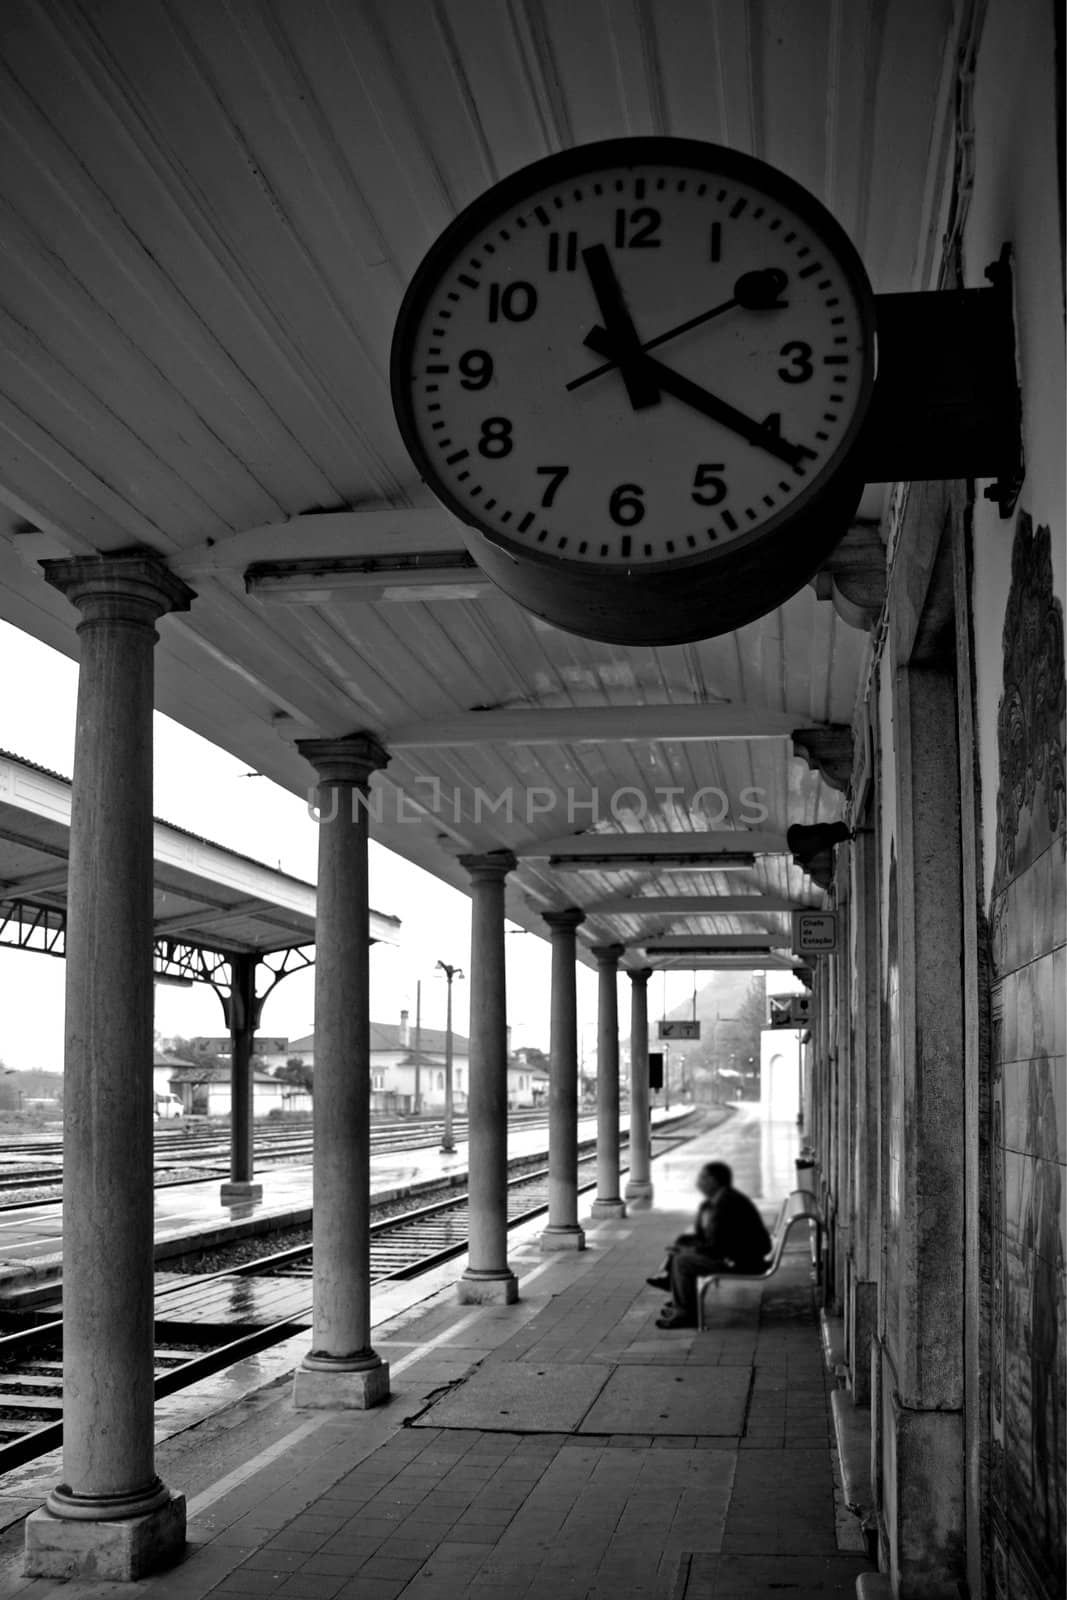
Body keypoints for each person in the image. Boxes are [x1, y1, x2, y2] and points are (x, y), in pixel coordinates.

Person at [648, 1161, 771, 1329]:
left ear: (715, 1181)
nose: (698, 1181)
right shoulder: (717, 1200)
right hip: (732, 1255)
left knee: (683, 1261)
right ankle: (678, 1300)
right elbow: (709, 1238)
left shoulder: (727, 1204)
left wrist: (692, 1249)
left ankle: (687, 1314)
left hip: (742, 1262)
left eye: (703, 1177)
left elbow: (719, 1246)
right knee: (682, 1244)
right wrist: (689, 1245)